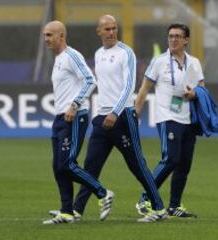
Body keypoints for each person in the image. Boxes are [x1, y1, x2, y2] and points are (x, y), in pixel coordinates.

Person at [69, 15, 168, 223]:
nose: (111, 32)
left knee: (136, 164)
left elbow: (129, 86)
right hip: (102, 118)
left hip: (122, 117)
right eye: (107, 29)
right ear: (99, 31)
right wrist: (105, 113)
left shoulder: (126, 53)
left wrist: (115, 112)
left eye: (114, 28)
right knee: (90, 166)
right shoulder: (98, 54)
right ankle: (76, 210)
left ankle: (158, 208)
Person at [42, 20, 114, 225]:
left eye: (49, 35)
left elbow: (91, 80)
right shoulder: (57, 59)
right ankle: (66, 212)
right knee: (58, 166)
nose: (46, 39)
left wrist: (74, 104)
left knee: (67, 164)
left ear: (61, 36)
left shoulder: (72, 56)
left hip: (74, 117)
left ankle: (103, 192)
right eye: (45, 35)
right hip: (60, 118)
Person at [134, 23, 209, 218]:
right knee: (171, 159)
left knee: (184, 164)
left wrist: (194, 93)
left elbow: (202, 89)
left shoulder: (194, 62)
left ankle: (174, 205)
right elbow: (144, 89)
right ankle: (145, 197)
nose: (173, 39)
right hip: (167, 117)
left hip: (189, 119)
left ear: (186, 40)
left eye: (177, 36)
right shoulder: (159, 62)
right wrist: (135, 114)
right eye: (170, 36)